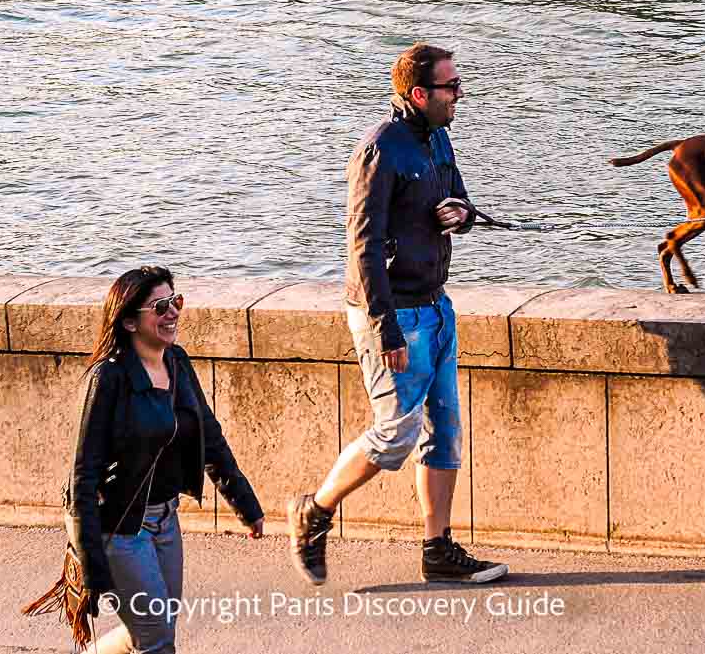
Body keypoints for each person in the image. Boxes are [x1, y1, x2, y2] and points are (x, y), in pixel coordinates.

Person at [288, 43, 509, 588]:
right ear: (419, 93)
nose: (459, 95)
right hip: (394, 315)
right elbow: (361, 248)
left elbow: (458, 198)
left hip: (436, 305)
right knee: (394, 437)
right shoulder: (378, 152)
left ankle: (437, 550)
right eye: (450, 87)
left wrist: (463, 215)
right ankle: (313, 510)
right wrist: (386, 328)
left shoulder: (436, 137)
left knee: (446, 432)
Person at [60, 267, 264, 653]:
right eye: (160, 306)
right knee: (157, 640)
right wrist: (90, 562)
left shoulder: (178, 363)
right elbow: (81, 474)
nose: (172, 312)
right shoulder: (108, 379)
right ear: (129, 321)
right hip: (119, 529)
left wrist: (244, 503)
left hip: (165, 519)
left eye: (176, 301)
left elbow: (210, 435)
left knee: (155, 626)